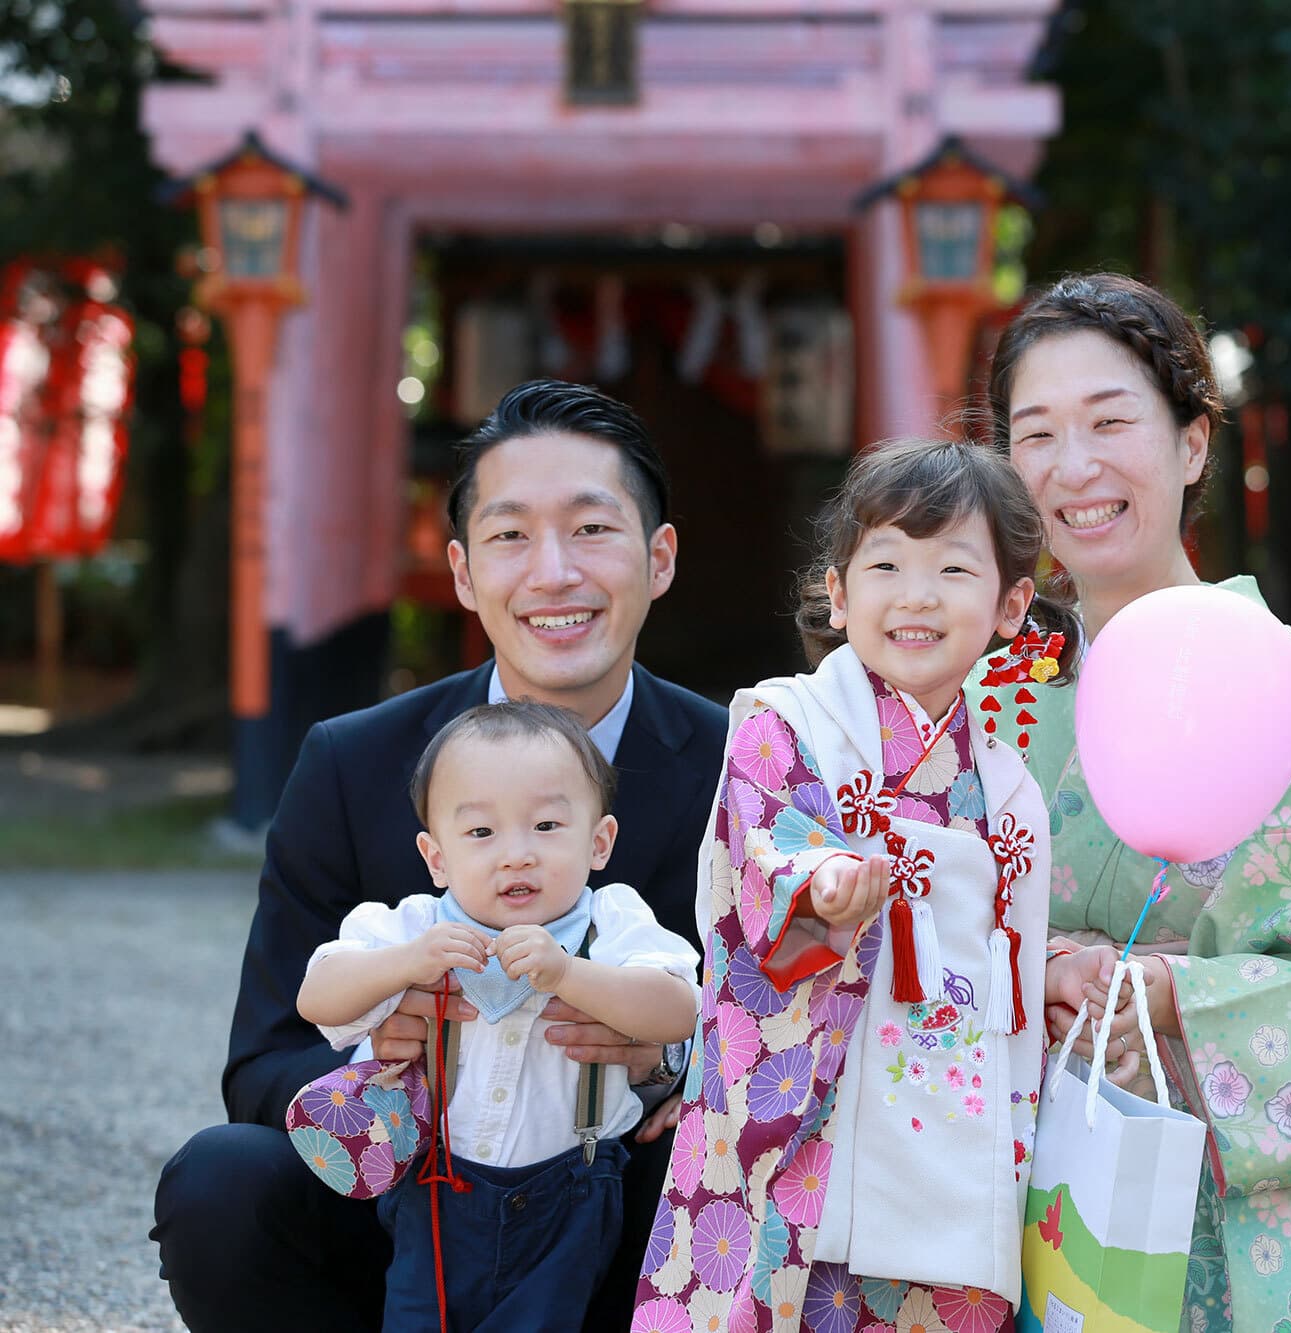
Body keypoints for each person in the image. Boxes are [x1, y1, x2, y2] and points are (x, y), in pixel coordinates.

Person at [152, 379, 729, 1332]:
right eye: (511, 535)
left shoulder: (744, 763)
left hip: (625, 1213)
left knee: (712, 1168)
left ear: (659, 557)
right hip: (406, 1211)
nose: (553, 572)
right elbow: (261, 1062)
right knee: (221, 1181)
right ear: (462, 571)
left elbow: (811, 1037)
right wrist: (385, 1058)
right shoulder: (353, 763)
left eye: (592, 529)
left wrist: (671, 1065)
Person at [980, 275, 1291, 1332]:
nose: (1074, 466)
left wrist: (1162, 995)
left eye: (1110, 422)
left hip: (1221, 1227)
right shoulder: (984, 693)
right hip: (1011, 1198)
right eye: (1037, 434)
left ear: (1193, 443)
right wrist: (1035, 969)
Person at [631, 439, 1079, 1333]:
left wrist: (1051, 968)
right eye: (886, 565)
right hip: (806, 1116)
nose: (916, 595)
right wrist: (822, 885)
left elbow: (1006, 948)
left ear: (1010, 606)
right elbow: (771, 842)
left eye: (954, 569)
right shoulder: (784, 722)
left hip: (948, 1120)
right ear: (838, 594)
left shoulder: (1008, 787)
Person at [298, 700, 701, 1330]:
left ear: (599, 842)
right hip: (434, 1183)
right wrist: (405, 963)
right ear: (436, 858)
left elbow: (678, 1011)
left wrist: (569, 974)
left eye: (546, 826)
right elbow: (316, 996)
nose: (516, 854)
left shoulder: (610, 923)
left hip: (570, 1191)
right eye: (482, 833)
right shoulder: (416, 926)